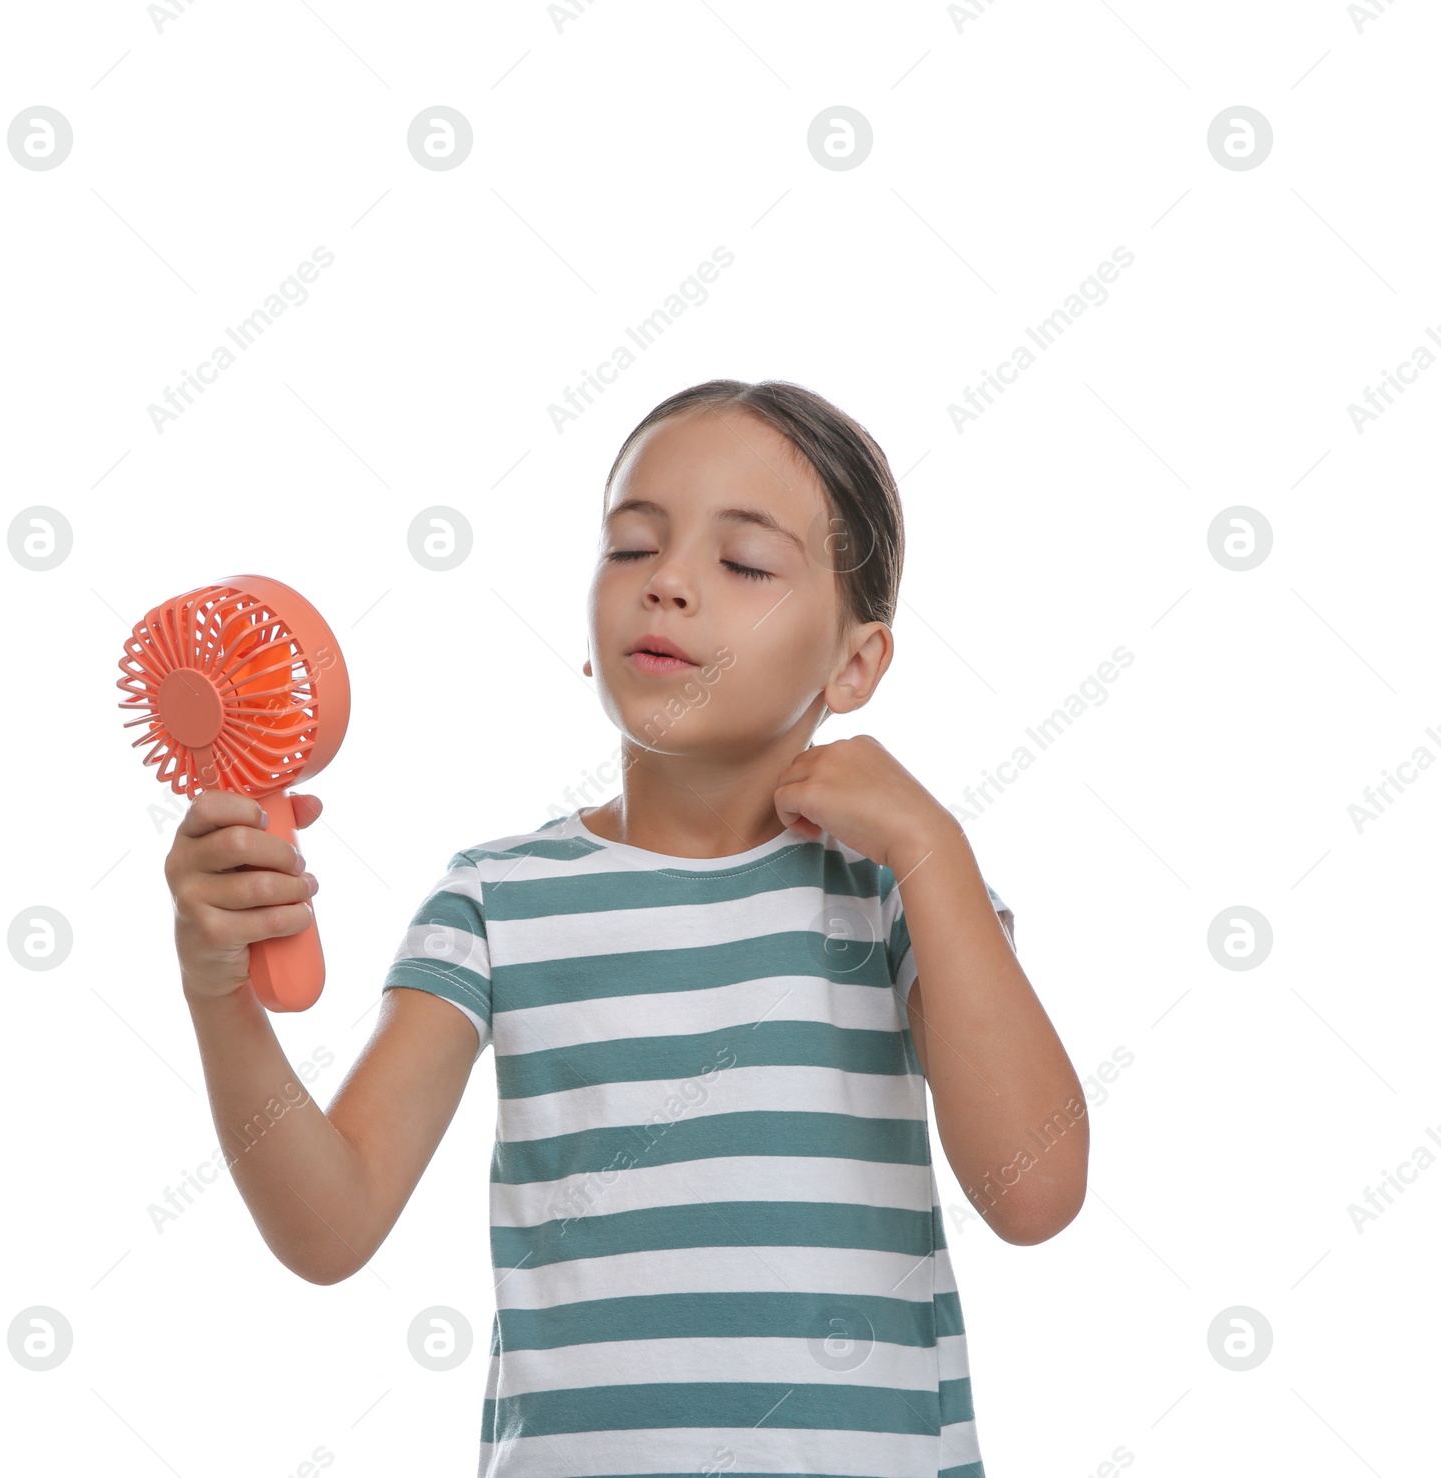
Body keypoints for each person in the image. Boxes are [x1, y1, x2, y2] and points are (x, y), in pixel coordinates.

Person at [166, 378, 1088, 1478]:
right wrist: (218, 990)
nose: (669, 583)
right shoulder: (494, 901)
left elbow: (1034, 1191)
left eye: (743, 563)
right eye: (630, 546)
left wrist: (933, 845)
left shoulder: (896, 892)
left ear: (855, 664)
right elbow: (331, 1226)